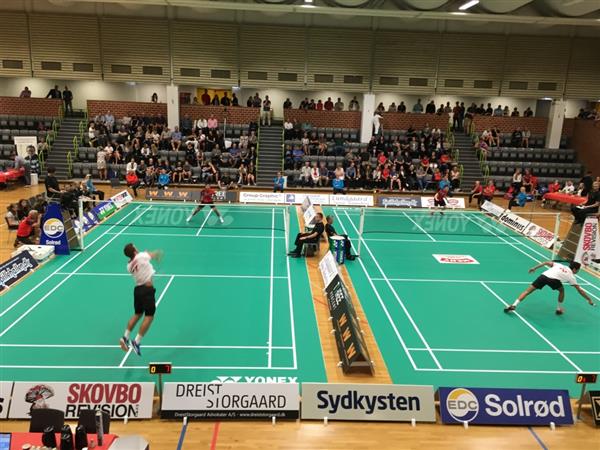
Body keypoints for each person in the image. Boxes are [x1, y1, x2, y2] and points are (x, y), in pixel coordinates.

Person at [119, 244, 164, 356]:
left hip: (138, 290)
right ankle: (136, 342)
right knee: (149, 316)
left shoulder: (129, 266)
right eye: (135, 247)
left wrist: (144, 254)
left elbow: (139, 260)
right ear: (134, 251)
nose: (137, 248)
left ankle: (125, 337)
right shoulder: (141, 256)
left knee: (137, 314)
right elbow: (155, 254)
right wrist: (157, 253)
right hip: (147, 291)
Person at [504, 261, 594, 315]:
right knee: (561, 291)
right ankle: (559, 309)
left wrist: (534, 268)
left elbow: (546, 262)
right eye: (578, 270)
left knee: (527, 291)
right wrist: (589, 299)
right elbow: (580, 290)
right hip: (554, 280)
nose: (578, 271)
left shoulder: (559, 265)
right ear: (574, 269)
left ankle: (514, 305)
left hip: (543, 276)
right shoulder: (571, 276)